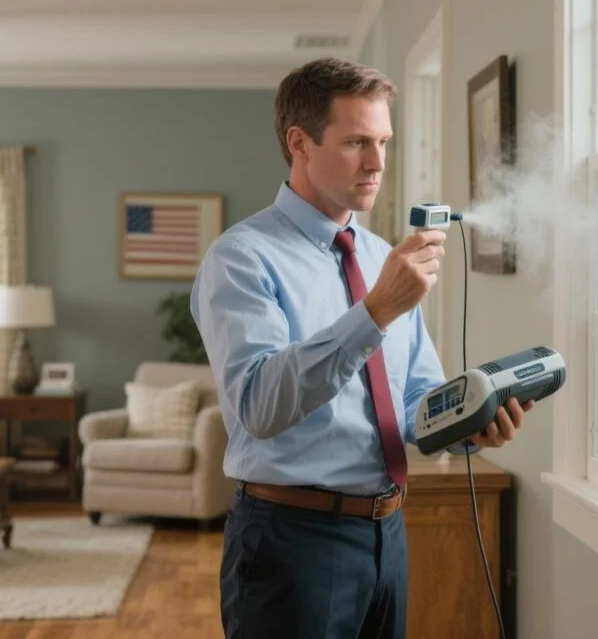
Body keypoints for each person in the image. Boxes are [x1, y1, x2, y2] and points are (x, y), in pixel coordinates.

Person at [190, 56, 533, 639]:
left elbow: (414, 399)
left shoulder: (380, 256)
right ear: (300, 142)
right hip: (290, 542)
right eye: (356, 143)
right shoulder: (241, 258)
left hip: (389, 535)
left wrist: (466, 425)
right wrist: (376, 311)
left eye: (383, 141)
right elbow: (258, 405)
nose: (377, 163)